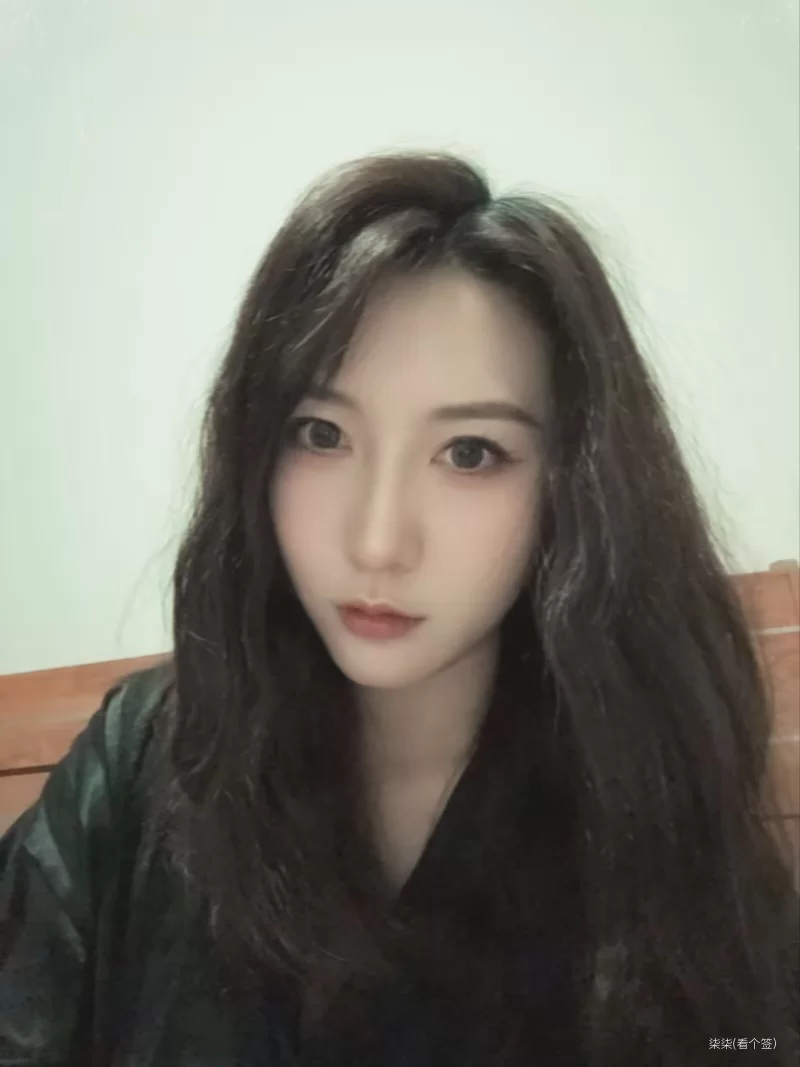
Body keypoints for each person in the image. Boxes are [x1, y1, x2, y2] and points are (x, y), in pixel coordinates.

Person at [0, 152, 797, 1067]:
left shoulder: (647, 790)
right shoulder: (145, 756)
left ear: (573, 487)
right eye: (322, 434)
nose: (378, 541)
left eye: (470, 452)